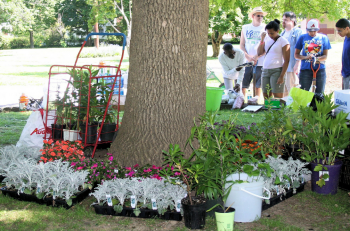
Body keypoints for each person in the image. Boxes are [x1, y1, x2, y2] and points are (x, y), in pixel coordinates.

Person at [295, 19, 331, 94]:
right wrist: (306, 57)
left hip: (320, 69)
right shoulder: (302, 37)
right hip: (305, 70)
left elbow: (325, 56)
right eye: (310, 31)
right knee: (304, 92)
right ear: (307, 30)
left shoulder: (323, 38)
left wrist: (317, 59)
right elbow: (296, 55)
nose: (312, 33)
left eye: (315, 30)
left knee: (319, 93)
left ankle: (317, 106)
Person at [257, 19, 290, 99]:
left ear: (277, 31)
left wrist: (282, 76)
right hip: (265, 69)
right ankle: (268, 110)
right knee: (266, 95)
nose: (270, 35)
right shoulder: (266, 39)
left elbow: (287, 60)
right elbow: (259, 53)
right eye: (268, 33)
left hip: (277, 70)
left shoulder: (283, 41)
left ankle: (278, 111)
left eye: (272, 33)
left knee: (277, 96)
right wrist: (262, 40)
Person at [240, 6, 267, 97]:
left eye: (262, 16)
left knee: (258, 85)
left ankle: (256, 101)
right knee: (244, 84)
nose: (260, 18)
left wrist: (257, 56)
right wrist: (247, 56)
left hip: (260, 61)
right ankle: (242, 101)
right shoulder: (245, 28)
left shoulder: (266, 28)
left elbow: (267, 46)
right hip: (247, 61)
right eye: (258, 15)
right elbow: (242, 44)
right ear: (253, 16)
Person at [281, 12, 303, 96]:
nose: (283, 22)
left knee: (293, 89)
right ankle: (286, 108)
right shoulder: (282, 34)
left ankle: (294, 108)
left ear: (293, 21)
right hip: (283, 67)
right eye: (283, 20)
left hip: (292, 66)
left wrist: (298, 63)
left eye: (286, 20)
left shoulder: (298, 32)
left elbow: (300, 49)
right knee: (284, 91)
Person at [335, 18, 350, 89]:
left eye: (340, 31)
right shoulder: (346, 37)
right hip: (345, 74)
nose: (338, 33)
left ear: (347, 28)